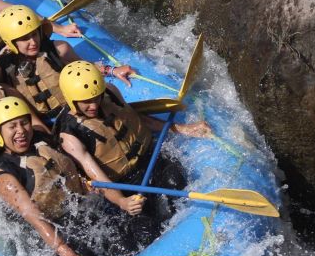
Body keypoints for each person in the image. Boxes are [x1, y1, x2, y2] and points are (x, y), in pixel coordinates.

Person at [0, 97, 148, 256]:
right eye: (12, 127)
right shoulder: (4, 174)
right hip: (48, 237)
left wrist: (111, 196)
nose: (21, 131)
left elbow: (74, 169)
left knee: (136, 234)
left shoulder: (41, 139)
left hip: (77, 211)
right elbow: (34, 218)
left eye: (24, 123)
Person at [55, 60, 211, 198]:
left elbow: (136, 120)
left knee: (177, 182)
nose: (94, 105)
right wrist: (121, 201)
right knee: (146, 226)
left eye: (96, 97)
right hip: (123, 184)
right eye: (86, 101)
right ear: (72, 100)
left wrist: (182, 128)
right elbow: (99, 178)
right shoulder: (70, 135)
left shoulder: (110, 92)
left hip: (150, 157)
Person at [0, 5, 135, 120]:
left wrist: (112, 70)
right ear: (10, 43)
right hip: (40, 123)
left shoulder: (58, 49)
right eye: (25, 38)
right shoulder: (4, 66)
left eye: (34, 34)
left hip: (73, 112)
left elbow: (84, 69)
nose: (33, 42)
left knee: (109, 89)